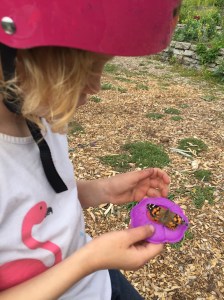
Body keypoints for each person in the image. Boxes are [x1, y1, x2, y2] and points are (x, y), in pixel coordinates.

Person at [0, 1, 181, 299]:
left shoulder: (42, 116)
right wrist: (89, 260)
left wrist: (105, 191)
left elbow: (40, 205)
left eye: (102, 66)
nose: (96, 86)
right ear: (17, 59)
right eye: (84, 69)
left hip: (98, 280)